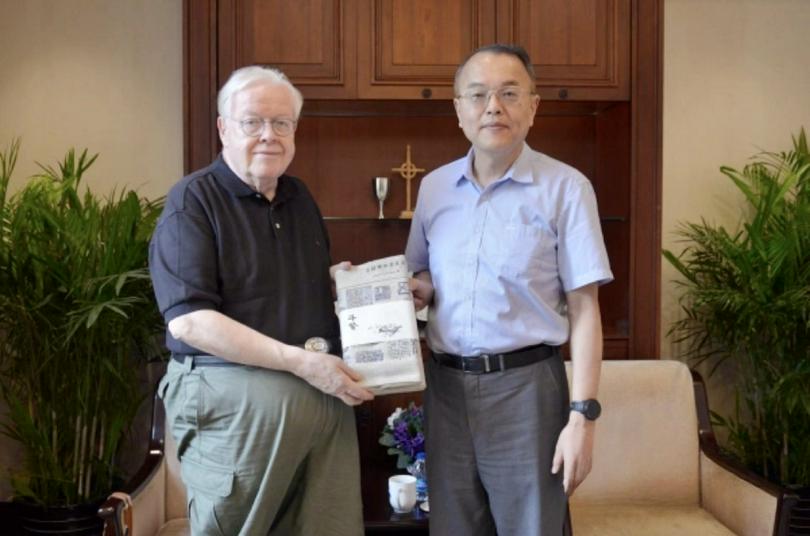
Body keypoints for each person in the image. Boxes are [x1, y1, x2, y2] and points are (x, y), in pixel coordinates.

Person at [149, 65, 373, 536]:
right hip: (232, 399)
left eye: (282, 123)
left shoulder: (298, 197)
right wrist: (298, 363)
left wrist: (335, 282)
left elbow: (274, 284)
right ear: (223, 128)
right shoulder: (192, 201)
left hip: (318, 403)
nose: (269, 135)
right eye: (253, 122)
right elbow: (189, 322)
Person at [406, 44, 613, 536]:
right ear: (458, 110)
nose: (493, 106)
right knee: (452, 526)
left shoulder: (566, 188)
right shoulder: (433, 189)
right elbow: (424, 278)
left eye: (508, 93)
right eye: (477, 95)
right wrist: (408, 290)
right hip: (447, 391)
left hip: (527, 391)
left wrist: (582, 417)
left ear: (533, 106)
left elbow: (585, 309)